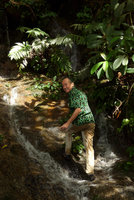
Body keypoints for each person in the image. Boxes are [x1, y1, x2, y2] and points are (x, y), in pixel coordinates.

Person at [60, 77, 95, 181]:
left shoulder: (73, 94)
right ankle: (90, 173)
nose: (64, 87)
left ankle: (67, 153)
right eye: (63, 85)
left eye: (66, 84)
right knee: (89, 147)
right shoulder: (81, 93)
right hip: (90, 121)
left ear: (72, 84)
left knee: (67, 131)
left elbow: (78, 109)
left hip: (81, 121)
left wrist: (67, 123)